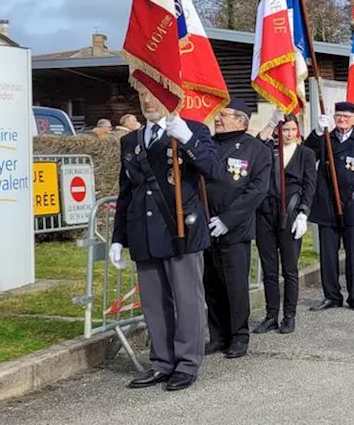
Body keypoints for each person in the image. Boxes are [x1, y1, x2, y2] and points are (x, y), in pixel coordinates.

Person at [110, 88, 221, 391]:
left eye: (154, 95)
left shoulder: (192, 131)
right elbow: (126, 192)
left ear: (171, 99)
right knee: (154, 303)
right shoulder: (130, 141)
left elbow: (214, 171)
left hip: (179, 230)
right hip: (143, 232)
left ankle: (187, 363)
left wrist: (187, 139)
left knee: (187, 300)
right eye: (143, 96)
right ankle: (161, 362)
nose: (147, 102)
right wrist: (117, 238)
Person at [203, 99, 271, 359]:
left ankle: (239, 336)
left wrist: (227, 220)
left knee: (235, 286)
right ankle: (218, 336)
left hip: (235, 229)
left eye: (225, 115)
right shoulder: (207, 144)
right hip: (206, 227)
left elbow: (256, 191)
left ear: (242, 120)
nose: (218, 118)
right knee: (211, 285)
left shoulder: (256, 150)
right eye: (217, 114)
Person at [304, 102, 354, 313]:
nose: (342, 120)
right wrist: (317, 132)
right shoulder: (325, 138)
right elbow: (307, 153)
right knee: (328, 256)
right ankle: (331, 296)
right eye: (338, 116)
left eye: (346, 117)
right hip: (327, 205)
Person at [254, 113, 316, 335]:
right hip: (265, 214)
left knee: (289, 269)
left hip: (290, 213)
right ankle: (271, 315)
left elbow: (309, 185)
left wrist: (304, 213)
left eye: (292, 129)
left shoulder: (305, 154)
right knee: (269, 269)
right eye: (284, 130)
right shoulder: (269, 149)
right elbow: (255, 144)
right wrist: (271, 123)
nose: (288, 134)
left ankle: (289, 315)